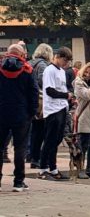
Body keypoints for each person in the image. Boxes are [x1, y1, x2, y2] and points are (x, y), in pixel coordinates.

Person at [0, 44, 38, 191]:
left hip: (2, 113)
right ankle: (18, 181)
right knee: (20, 148)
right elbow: (34, 93)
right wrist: (32, 111)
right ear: (22, 55)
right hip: (22, 115)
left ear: (8, 54)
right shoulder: (27, 70)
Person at [38, 47, 73, 181]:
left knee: (56, 140)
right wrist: (66, 95)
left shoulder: (61, 71)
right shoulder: (49, 70)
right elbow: (49, 91)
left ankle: (53, 168)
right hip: (52, 109)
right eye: (64, 60)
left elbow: (62, 88)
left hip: (61, 108)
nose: (66, 63)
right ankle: (43, 169)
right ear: (57, 56)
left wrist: (69, 98)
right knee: (49, 140)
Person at [28, 43, 53, 169]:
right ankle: (37, 158)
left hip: (30, 100)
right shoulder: (43, 65)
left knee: (34, 131)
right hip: (41, 101)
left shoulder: (30, 63)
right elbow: (43, 82)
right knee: (41, 131)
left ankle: (32, 156)